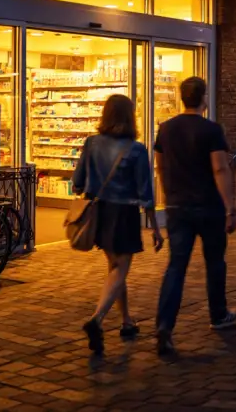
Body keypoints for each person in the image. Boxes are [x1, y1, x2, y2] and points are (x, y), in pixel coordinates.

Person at [154, 77, 236, 356]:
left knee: (176, 266)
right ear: (203, 98)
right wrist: (230, 206)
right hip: (209, 206)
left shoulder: (165, 129)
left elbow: (160, 167)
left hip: (178, 207)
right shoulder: (211, 130)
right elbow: (220, 169)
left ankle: (165, 324)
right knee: (215, 262)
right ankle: (218, 313)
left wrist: (168, 196)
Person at [73, 94, 163, 355]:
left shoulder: (91, 143)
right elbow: (146, 192)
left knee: (115, 267)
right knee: (120, 268)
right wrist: (155, 227)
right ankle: (96, 319)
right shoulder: (135, 149)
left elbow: (78, 180)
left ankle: (126, 321)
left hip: (99, 212)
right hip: (123, 213)